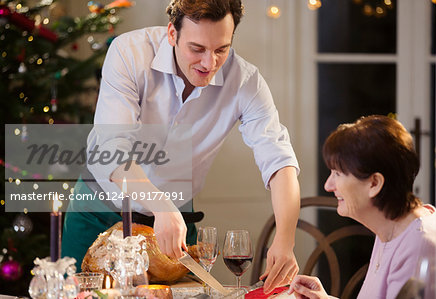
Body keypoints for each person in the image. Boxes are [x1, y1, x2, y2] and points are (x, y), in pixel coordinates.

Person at [62, 0, 300, 293]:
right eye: (197, 49)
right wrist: (160, 204)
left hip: (174, 224)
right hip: (100, 209)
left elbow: (279, 161)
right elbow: (113, 149)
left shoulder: (246, 82)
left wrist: (285, 240)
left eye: (221, 50)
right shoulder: (129, 52)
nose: (208, 63)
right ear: (172, 34)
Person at [287, 115, 436, 299]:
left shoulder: (418, 246)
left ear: (374, 183)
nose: (328, 185)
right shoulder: (390, 227)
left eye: (338, 173)